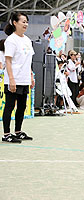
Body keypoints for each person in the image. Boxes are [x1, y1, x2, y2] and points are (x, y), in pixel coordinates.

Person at [2, 12, 35, 143]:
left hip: (24, 78)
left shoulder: (27, 40)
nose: (26, 24)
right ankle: (6, 134)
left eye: (27, 22)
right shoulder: (11, 40)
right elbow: (8, 61)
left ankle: (18, 131)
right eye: (23, 21)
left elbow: (29, 61)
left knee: (21, 107)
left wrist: (31, 77)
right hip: (13, 79)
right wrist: (11, 79)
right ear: (15, 23)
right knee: (9, 106)